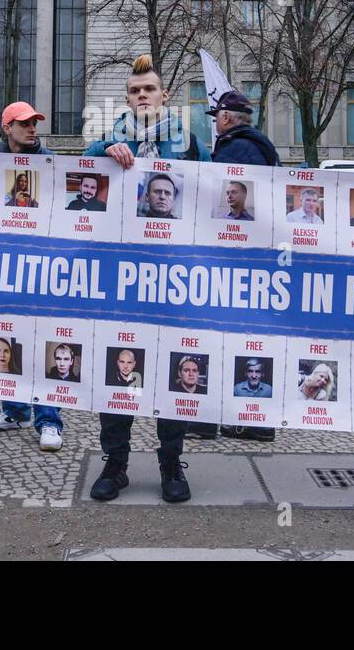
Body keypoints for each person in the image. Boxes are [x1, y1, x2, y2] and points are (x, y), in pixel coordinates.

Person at [87, 55, 208, 503]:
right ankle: (115, 465)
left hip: (174, 275)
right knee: (118, 367)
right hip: (122, 277)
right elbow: (78, 176)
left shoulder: (189, 142)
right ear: (127, 98)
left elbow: (210, 195)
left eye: (149, 90)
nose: (142, 96)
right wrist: (103, 154)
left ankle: (171, 465)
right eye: (135, 91)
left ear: (164, 95)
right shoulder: (107, 141)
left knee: (172, 368)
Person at [0, 101, 65, 452]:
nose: (32, 129)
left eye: (34, 123)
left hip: (42, 266)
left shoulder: (52, 163)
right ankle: (15, 411)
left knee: (43, 339)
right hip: (5, 268)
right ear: (7, 128)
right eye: (24, 123)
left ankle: (50, 421)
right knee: (7, 335)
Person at [206, 90, 279, 438]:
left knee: (229, 334)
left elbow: (217, 201)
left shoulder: (235, 148)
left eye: (216, 117)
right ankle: (256, 419)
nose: (214, 124)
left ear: (226, 117)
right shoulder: (262, 145)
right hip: (258, 257)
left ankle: (235, 419)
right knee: (253, 335)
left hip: (233, 256)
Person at [207, 89, 280, 165]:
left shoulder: (232, 149)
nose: (216, 122)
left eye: (216, 118)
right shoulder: (262, 143)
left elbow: (217, 175)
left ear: (226, 118)